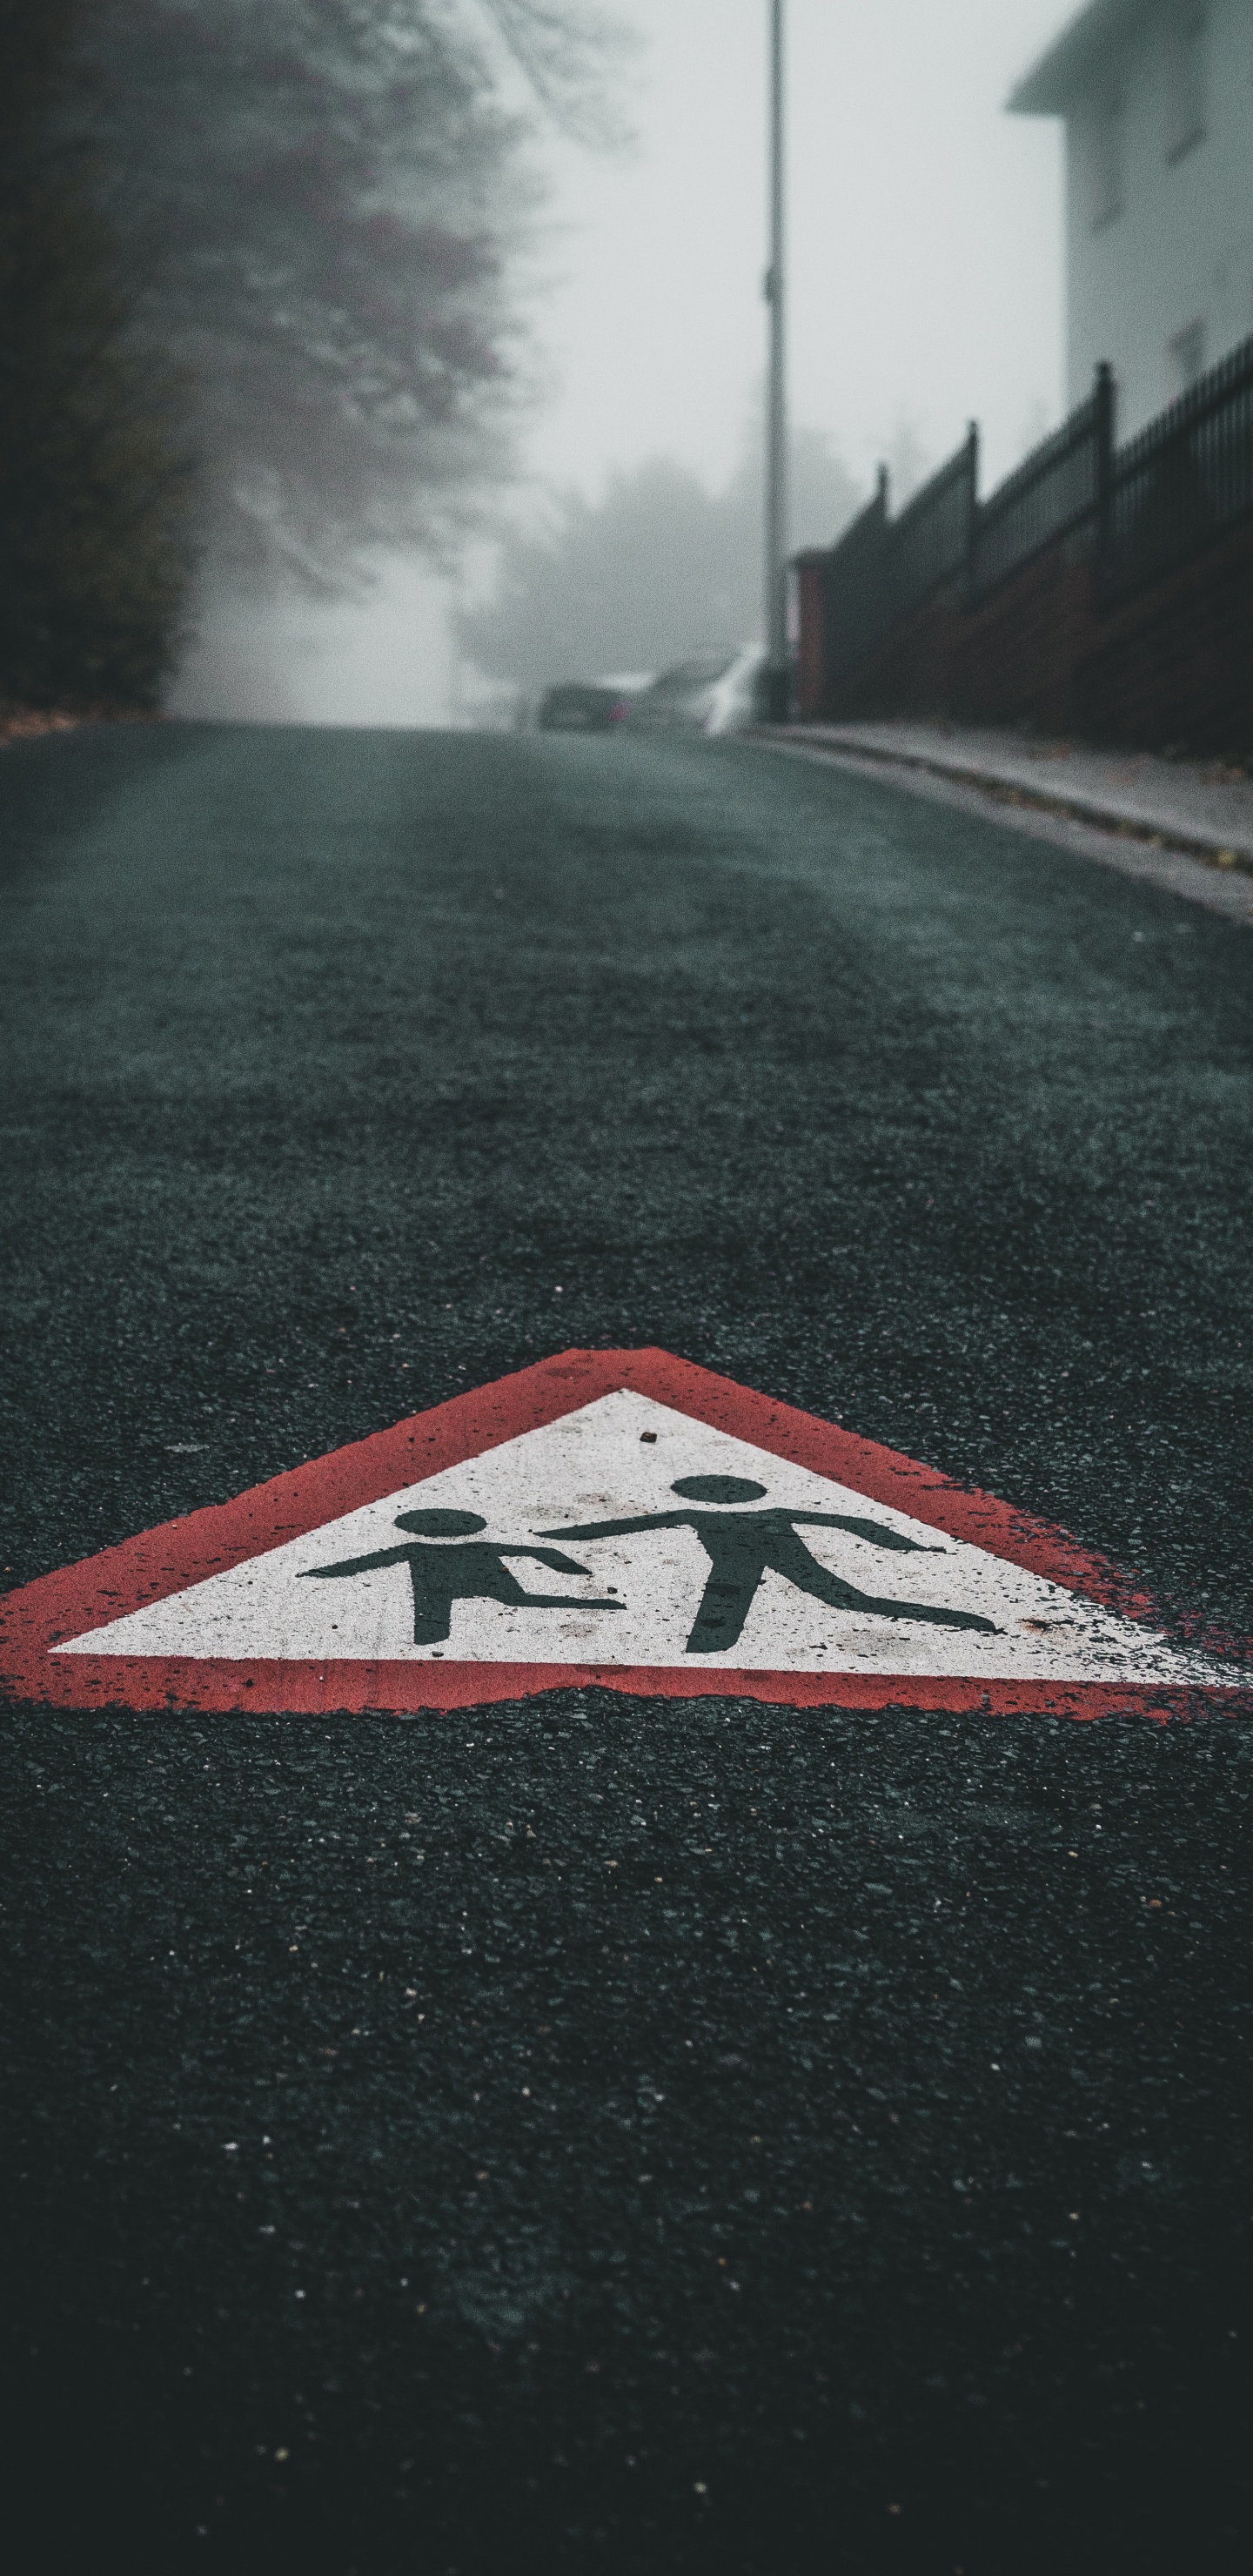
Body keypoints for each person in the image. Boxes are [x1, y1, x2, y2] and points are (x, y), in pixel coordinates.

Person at [536, 1473, 997, 1656]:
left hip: (768, 1556)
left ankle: (961, 1618)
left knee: (846, 1599)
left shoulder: (752, 1516)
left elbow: (845, 1519)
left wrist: (902, 1547)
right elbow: (630, 1526)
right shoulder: (703, 1515)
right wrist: (557, 1537)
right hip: (736, 1565)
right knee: (724, 1607)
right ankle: (703, 1652)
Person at [299, 1507, 623, 1648]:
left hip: (437, 1583)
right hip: (472, 1578)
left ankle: (429, 1646)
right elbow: (536, 1552)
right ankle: (595, 1603)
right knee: (517, 1600)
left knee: (433, 1616)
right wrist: (566, 1567)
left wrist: (328, 1572)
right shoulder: (482, 1545)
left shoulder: (415, 1547)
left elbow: (367, 1563)